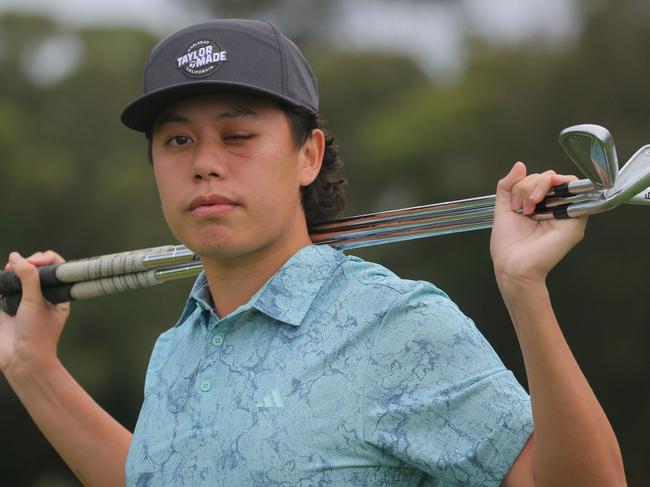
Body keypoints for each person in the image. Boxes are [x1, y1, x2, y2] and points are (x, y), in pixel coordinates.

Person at [0, 19, 626, 487]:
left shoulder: (395, 325)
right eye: (178, 141)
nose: (205, 164)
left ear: (308, 155)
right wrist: (32, 365)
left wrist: (524, 290)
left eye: (238, 135)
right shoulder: (178, 347)